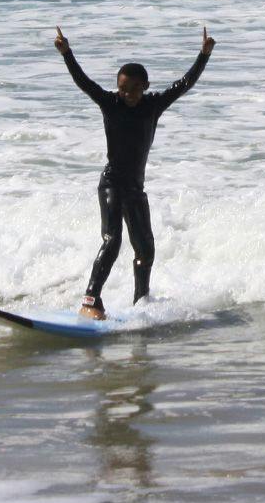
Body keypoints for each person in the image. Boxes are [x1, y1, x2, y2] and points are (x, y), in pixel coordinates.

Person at [54, 24, 215, 319]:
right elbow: (84, 82)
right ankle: (90, 301)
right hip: (112, 184)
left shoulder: (153, 105)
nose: (127, 93)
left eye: (133, 88)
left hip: (135, 189)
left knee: (145, 249)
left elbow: (184, 84)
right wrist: (67, 54)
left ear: (145, 86)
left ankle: (141, 303)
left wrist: (203, 55)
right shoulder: (110, 103)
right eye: (123, 88)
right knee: (111, 241)